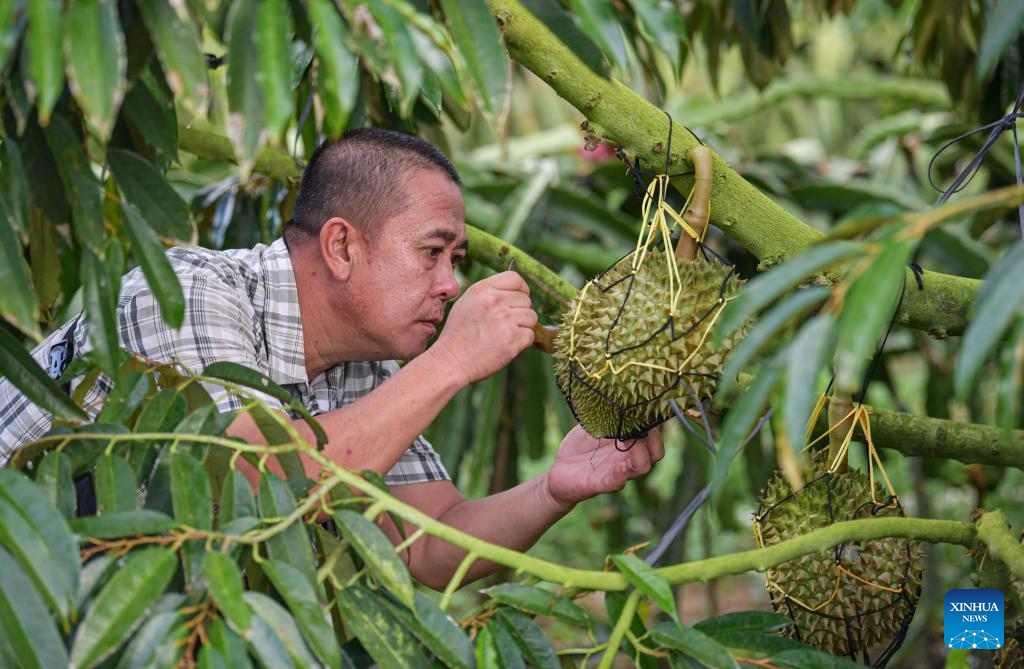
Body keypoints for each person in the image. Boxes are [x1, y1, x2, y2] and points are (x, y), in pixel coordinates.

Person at [0, 128, 663, 589]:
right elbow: (248, 482)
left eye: (455, 261)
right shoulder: (187, 292)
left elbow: (430, 544)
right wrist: (453, 361)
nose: (450, 285)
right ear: (343, 247)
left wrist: (556, 487)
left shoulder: (362, 363)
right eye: (432, 253)